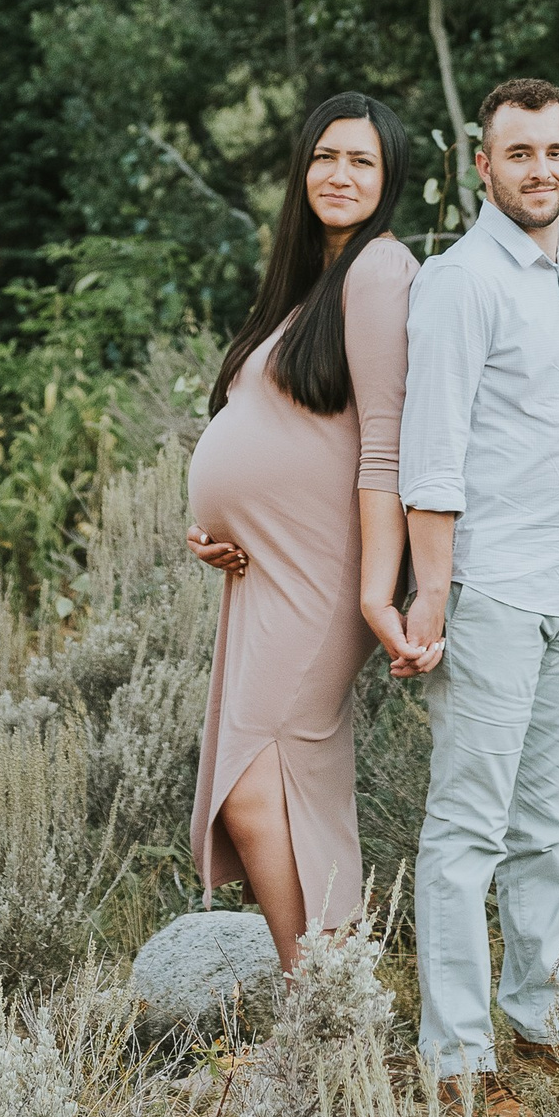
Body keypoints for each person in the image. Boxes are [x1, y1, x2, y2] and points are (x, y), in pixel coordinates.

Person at [398, 76, 559, 1117]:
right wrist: (432, 596)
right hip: (491, 590)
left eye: (557, 150)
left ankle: (544, 1013)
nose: (541, 168)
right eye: (520, 151)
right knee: (468, 826)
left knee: (548, 818)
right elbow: (429, 454)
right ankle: (455, 1053)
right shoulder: (457, 281)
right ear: (480, 164)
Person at [184, 90, 432, 965]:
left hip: (323, 576)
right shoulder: (308, 285)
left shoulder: (378, 270)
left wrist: (378, 587)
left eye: (362, 160)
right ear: (303, 168)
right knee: (283, 785)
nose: (340, 174)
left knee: (256, 788)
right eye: (327, 156)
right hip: (262, 574)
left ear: (389, 176)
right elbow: (280, 438)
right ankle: (328, 1011)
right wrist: (212, 521)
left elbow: (386, 444)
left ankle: (319, 1004)